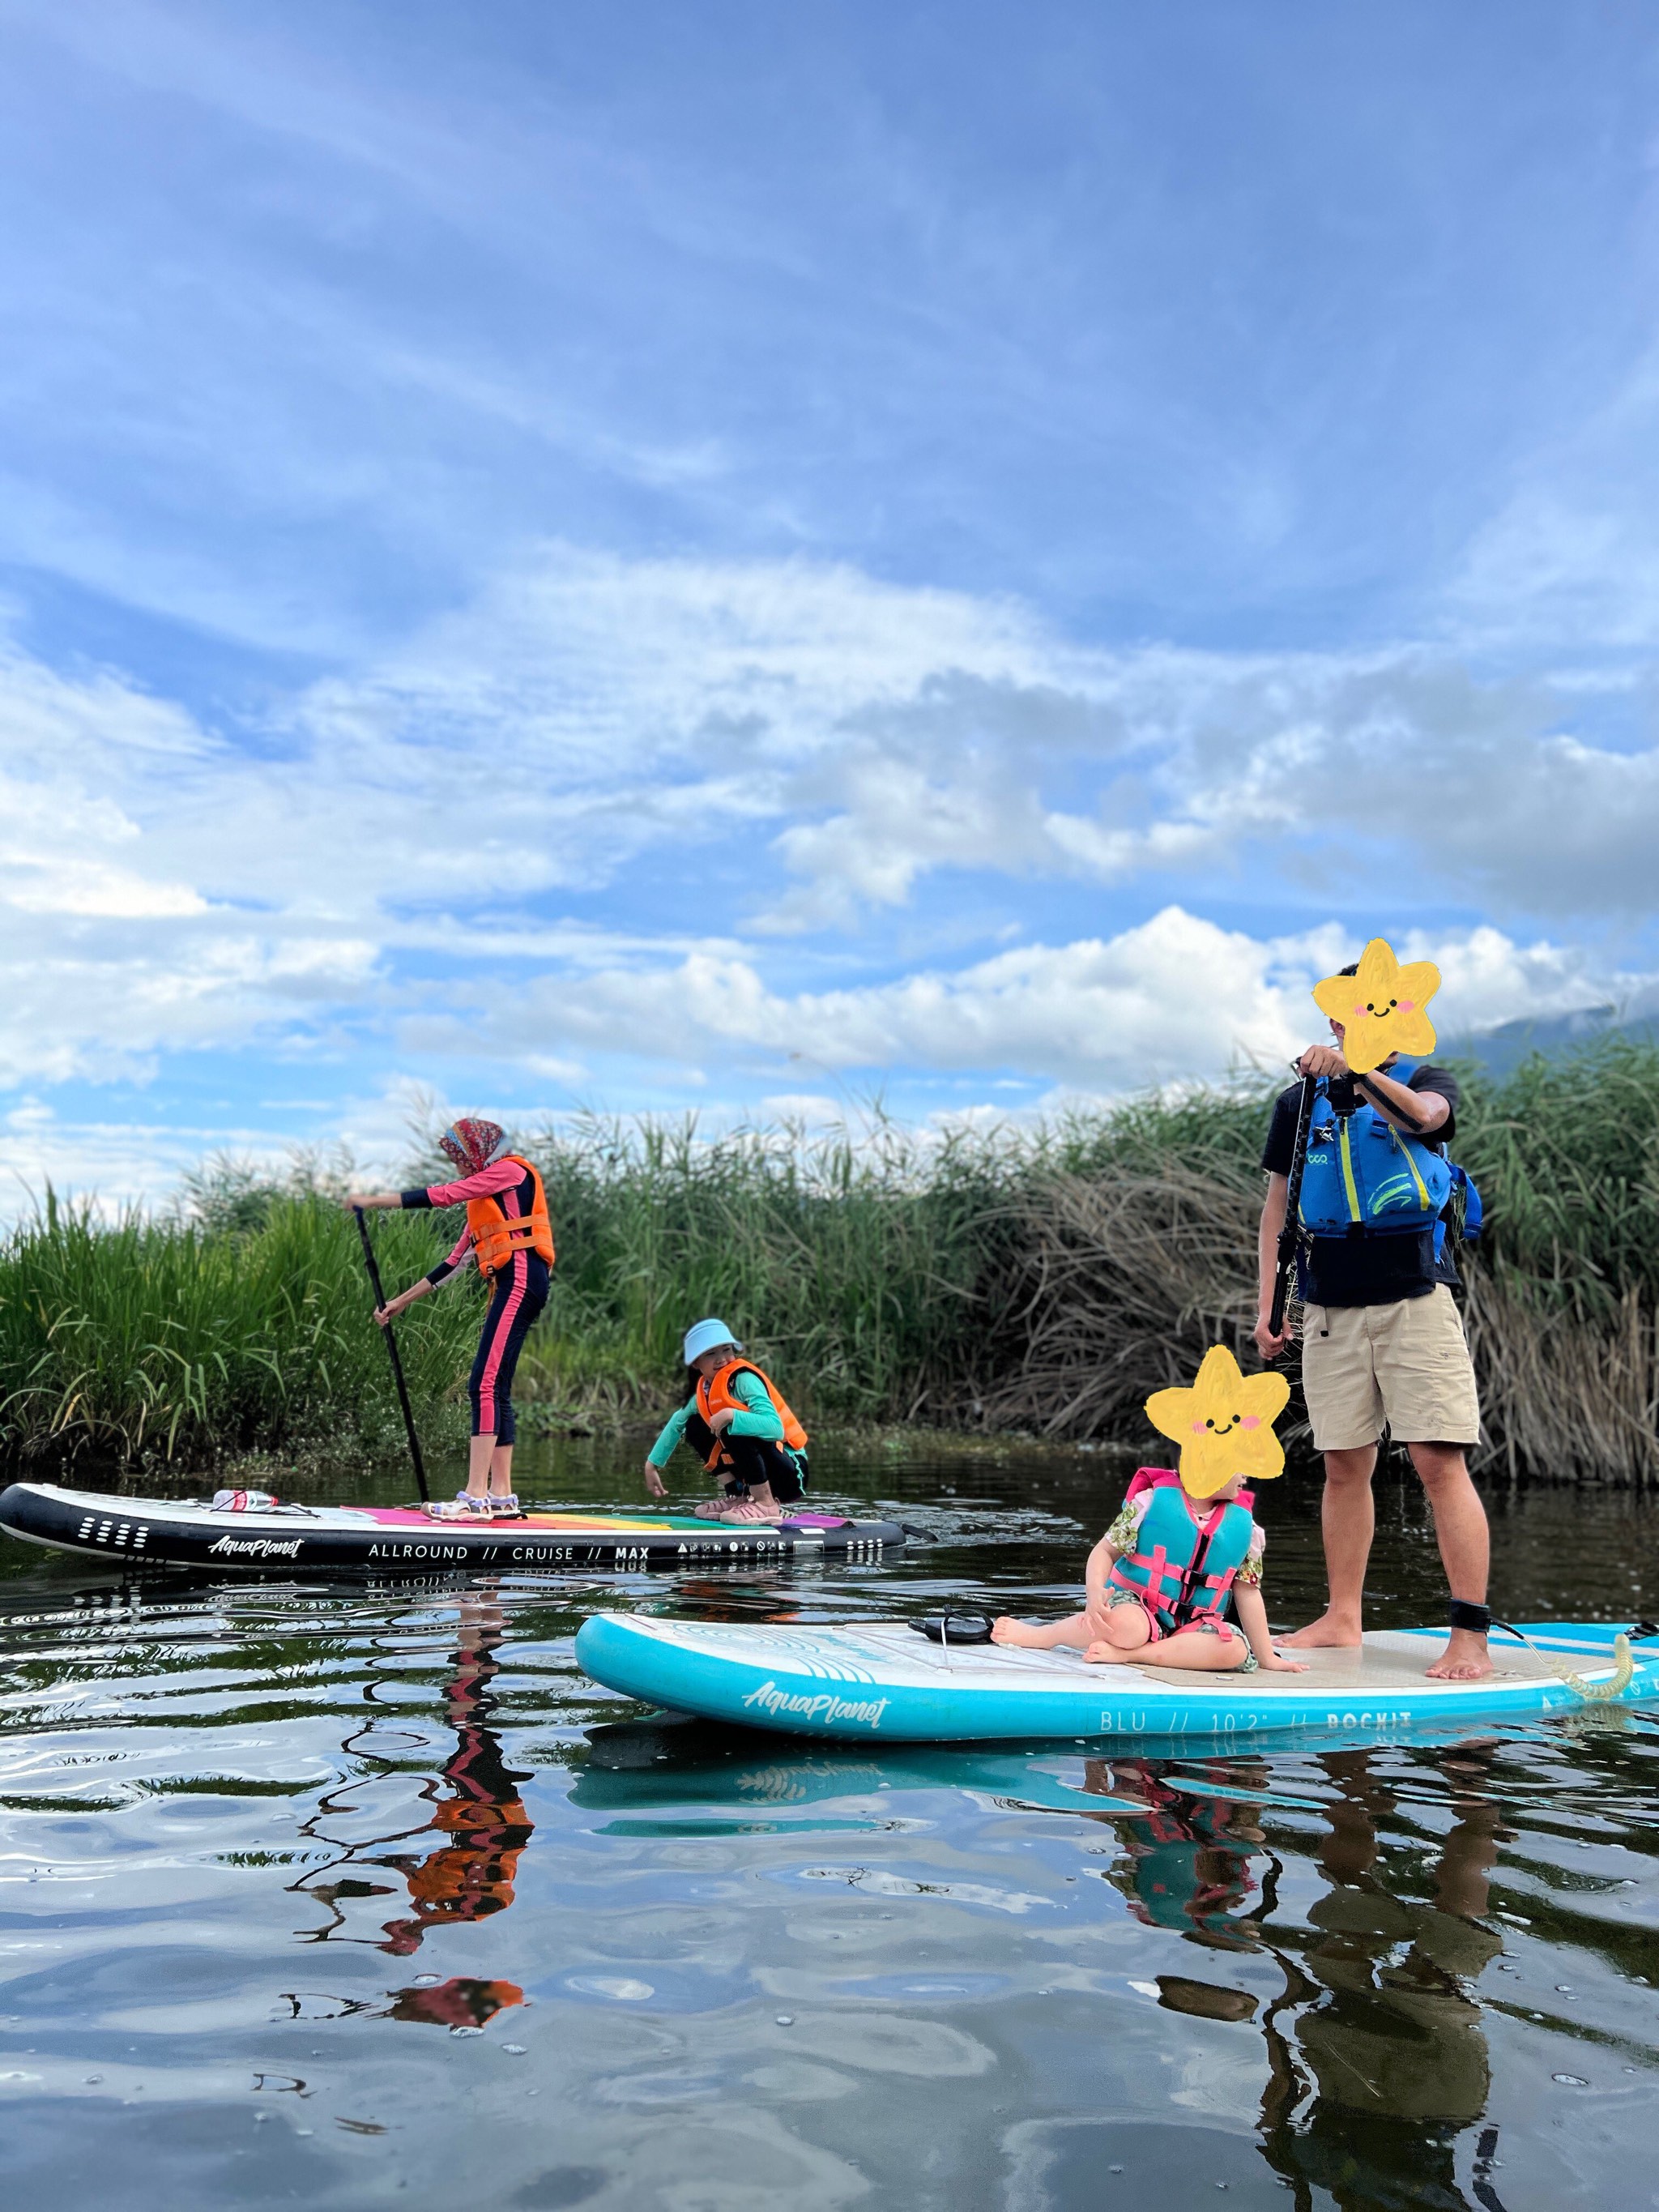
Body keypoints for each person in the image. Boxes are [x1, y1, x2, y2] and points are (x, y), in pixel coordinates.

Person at [1254, 968, 1491, 1680]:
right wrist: (1267, 1308)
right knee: (1342, 1464)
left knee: (1437, 1462)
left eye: (1362, 1014)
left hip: (1415, 1295)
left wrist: (1360, 1073)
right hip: (1329, 1304)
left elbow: (1427, 1119)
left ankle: (1470, 1638)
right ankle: (1343, 1617)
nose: (1344, 1025)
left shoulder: (1427, 1077)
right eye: (1338, 1016)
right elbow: (1275, 1211)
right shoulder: (1298, 1103)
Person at [346, 1117, 553, 1521]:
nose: (458, 1166)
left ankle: (475, 1498)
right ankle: (501, 1497)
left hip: (521, 1281)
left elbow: (444, 1195)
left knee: (484, 1384)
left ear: (478, 1151)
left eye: (459, 1158)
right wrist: (399, 1302)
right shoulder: (486, 1201)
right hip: (519, 1285)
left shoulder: (510, 1170)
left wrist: (372, 1201)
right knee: (497, 1386)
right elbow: (452, 1264)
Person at [989, 1463, 1308, 1676]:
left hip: (1194, 1625)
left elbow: (1248, 1593)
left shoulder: (1246, 1528)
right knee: (1126, 1627)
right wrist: (1094, 1594)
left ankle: (1132, 1655)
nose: (1246, 1476)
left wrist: (1266, 1658)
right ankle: (1043, 1636)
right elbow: (1104, 1552)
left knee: (1235, 1650)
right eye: (1239, 1465)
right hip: (1138, 1607)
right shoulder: (1150, 1502)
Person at [642, 1318, 809, 1524]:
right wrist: (652, 1465)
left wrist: (732, 1414)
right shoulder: (705, 1392)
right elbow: (677, 1422)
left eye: (726, 1350)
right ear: (696, 1363)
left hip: (791, 1473)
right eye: (711, 1354)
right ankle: (737, 1496)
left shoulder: (745, 1380)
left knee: (732, 1426)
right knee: (694, 1424)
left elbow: (776, 1429)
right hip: (756, 1474)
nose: (721, 1359)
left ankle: (766, 1504)